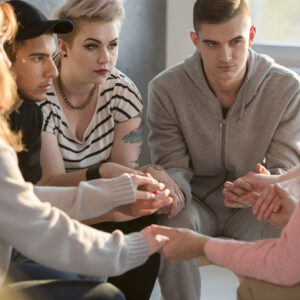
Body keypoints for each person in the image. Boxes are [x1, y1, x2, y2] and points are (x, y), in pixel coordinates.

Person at [0, 2, 170, 300]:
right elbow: (36, 208)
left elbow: (25, 200)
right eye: (38, 57)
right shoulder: (36, 102)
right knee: (103, 292)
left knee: (139, 214)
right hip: (29, 240)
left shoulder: (123, 92)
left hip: (45, 220)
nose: (106, 58)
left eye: (113, 45)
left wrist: (124, 189)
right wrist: (104, 178)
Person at [146, 0, 300, 299]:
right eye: (212, 44)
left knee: (286, 220)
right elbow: (173, 165)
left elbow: (285, 171)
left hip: (253, 205)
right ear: (195, 40)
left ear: (251, 35)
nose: (225, 56)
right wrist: (170, 192)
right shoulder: (165, 89)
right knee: (169, 223)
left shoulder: (288, 89)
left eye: (236, 41)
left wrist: (266, 185)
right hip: (197, 205)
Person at [151, 163, 300, 300]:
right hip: (195, 204)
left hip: (278, 250)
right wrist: (277, 181)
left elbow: (282, 264)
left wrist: (202, 245)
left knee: (254, 288)